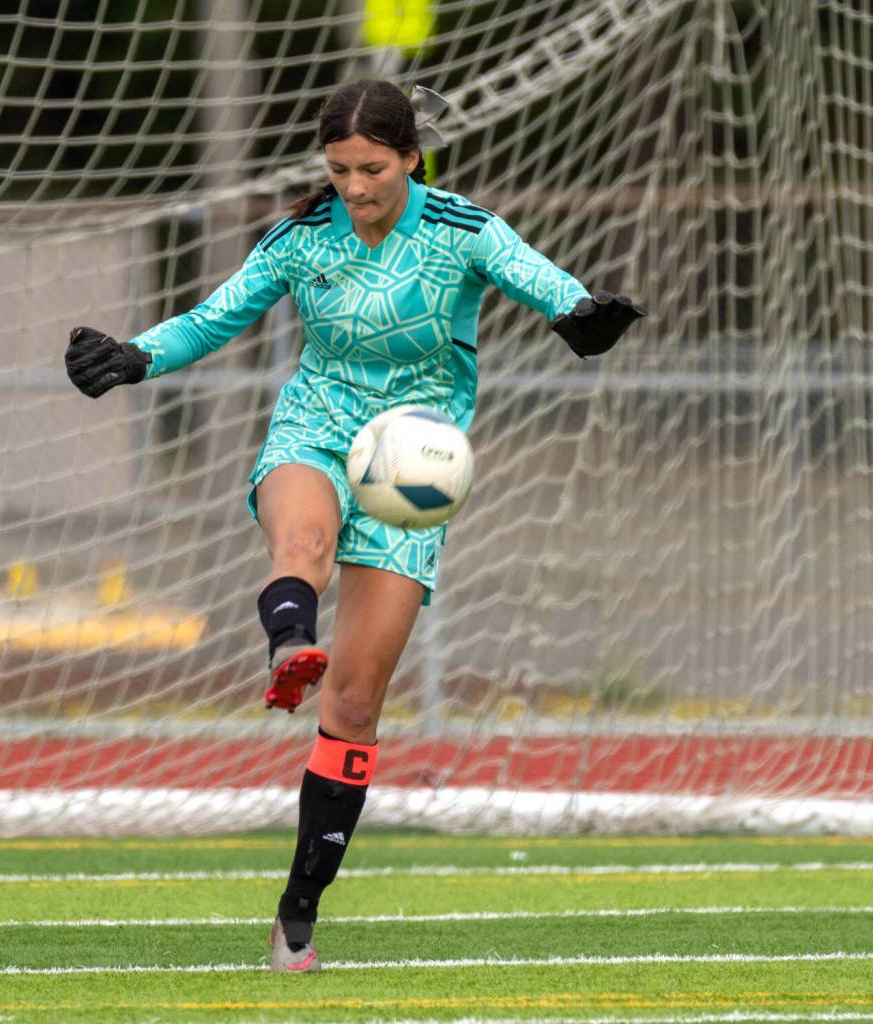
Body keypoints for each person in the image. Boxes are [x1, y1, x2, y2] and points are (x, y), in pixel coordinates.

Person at [64, 79, 645, 973]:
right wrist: (138, 354)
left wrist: (582, 316)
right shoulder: (304, 240)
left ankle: (298, 908)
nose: (355, 186)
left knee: (356, 706)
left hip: (413, 466)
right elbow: (217, 317)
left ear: (411, 158)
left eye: (371, 169)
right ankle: (289, 645)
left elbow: (545, 284)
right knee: (303, 548)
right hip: (316, 428)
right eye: (338, 170)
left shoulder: (463, 232)